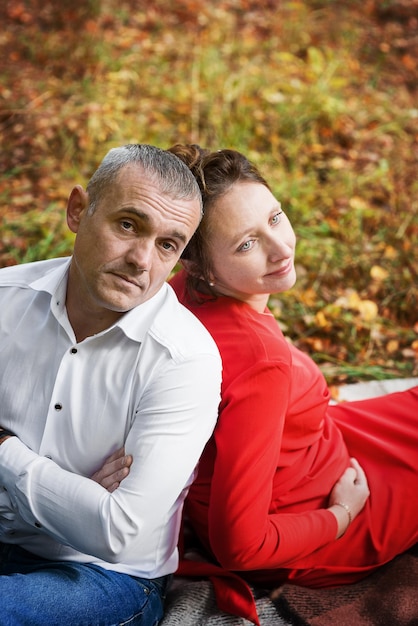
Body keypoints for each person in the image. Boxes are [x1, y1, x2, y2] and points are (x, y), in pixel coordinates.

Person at [164, 144, 418, 625]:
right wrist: (341, 515)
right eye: (246, 243)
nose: (281, 248)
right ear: (198, 264)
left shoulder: (177, 293)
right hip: (315, 515)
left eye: (275, 218)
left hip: (312, 444)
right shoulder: (262, 364)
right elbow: (242, 544)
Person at [0, 144, 222, 626]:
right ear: (78, 210)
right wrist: (75, 495)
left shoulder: (185, 360)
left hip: (106, 576)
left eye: (168, 245)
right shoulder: (4, 301)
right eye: (128, 224)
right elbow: (97, 516)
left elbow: (117, 532)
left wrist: (4, 452)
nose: (142, 259)